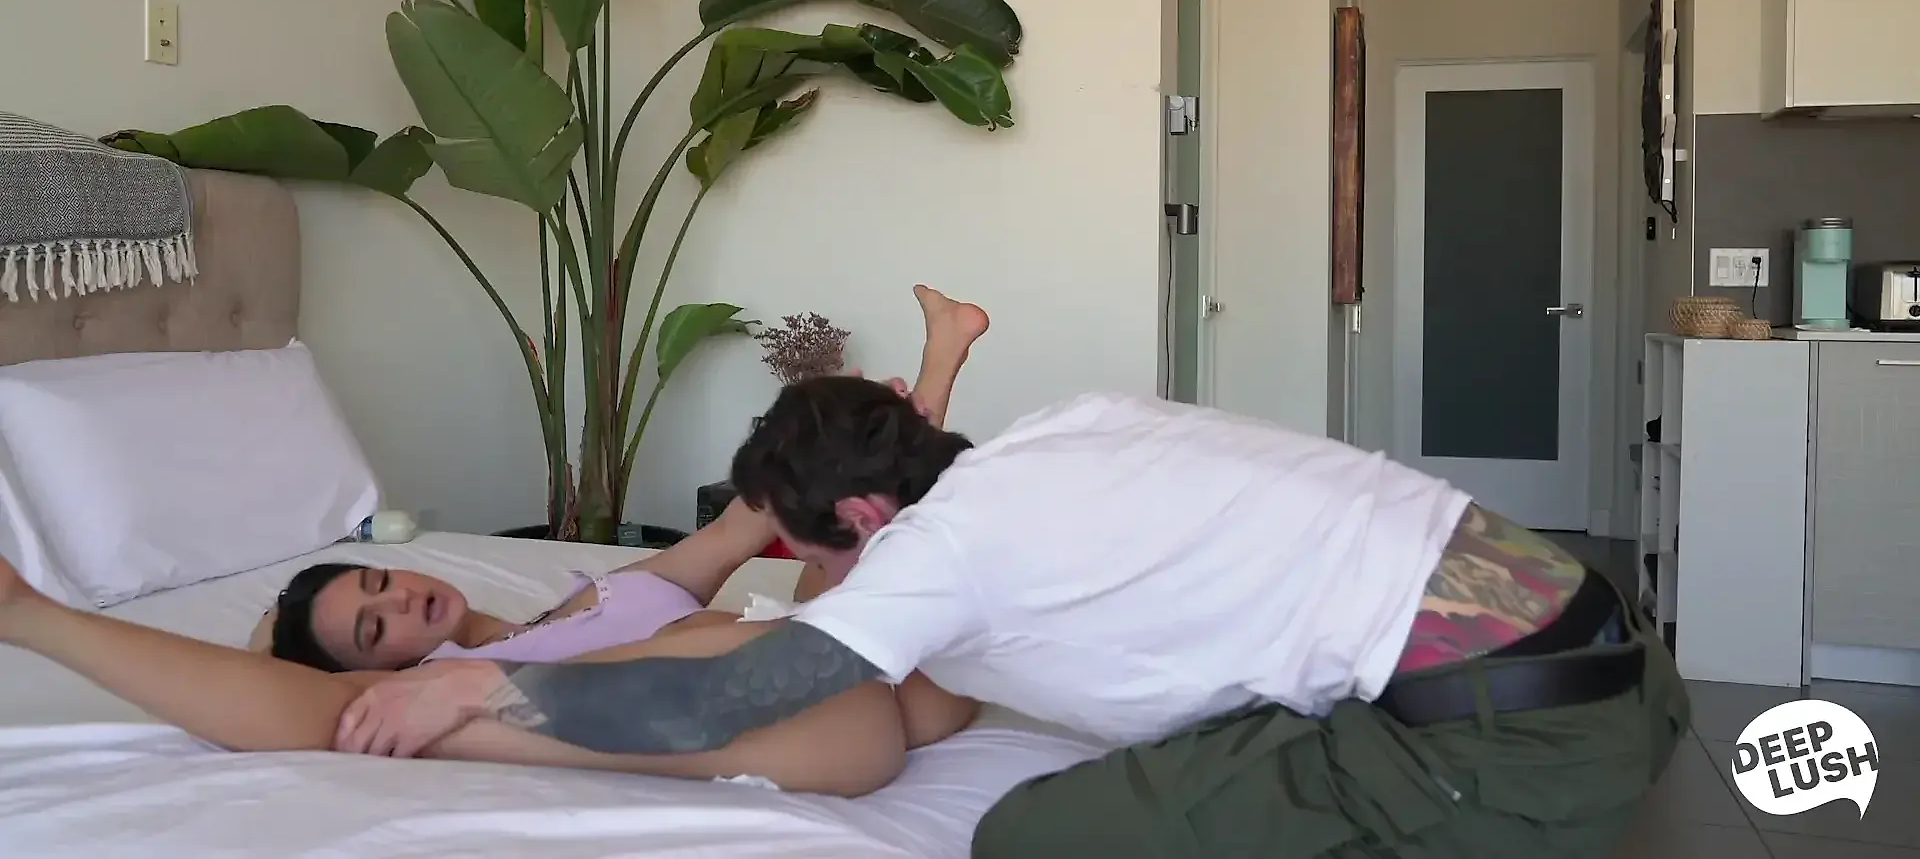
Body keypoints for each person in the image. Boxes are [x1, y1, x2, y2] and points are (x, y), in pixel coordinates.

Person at [332, 378, 1692, 859]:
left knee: (1037, 836)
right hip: (1607, 638)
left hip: (1510, 747)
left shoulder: (938, 553)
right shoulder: (1066, 425)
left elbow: (709, 704)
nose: (819, 579)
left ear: (862, 519)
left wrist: (471, 688)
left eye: (814, 556)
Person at [0, 287, 991, 799]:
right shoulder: (448, 687)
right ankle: (27, 617)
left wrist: (881, 430)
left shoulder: (585, 603)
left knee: (836, 537)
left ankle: (935, 376)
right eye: (374, 631)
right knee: (842, 564)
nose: (399, 601)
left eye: (378, 583)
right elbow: (298, 705)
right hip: (793, 706)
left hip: (876, 672)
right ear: (384, 668)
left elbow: (754, 519)